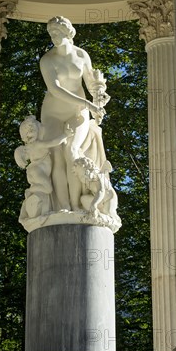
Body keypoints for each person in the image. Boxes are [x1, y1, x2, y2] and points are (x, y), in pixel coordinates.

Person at [40, 16, 109, 211]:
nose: (53, 37)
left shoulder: (81, 55)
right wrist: (88, 103)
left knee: (72, 152)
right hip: (53, 113)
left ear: (68, 33)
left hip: (77, 113)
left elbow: (91, 82)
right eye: (51, 34)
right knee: (57, 157)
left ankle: (76, 204)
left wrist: (98, 95)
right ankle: (63, 206)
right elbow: (55, 90)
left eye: (57, 33)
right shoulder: (47, 60)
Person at [14, 115, 73, 219]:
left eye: (33, 129)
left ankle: (34, 197)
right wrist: (65, 135)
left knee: (43, 191)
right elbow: (53, 142)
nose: (31, 133)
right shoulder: (36, 144)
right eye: (29, 132)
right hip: (37, 170)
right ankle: (30, 191)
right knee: (48, 188)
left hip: (34, 170)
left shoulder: (29, 147)